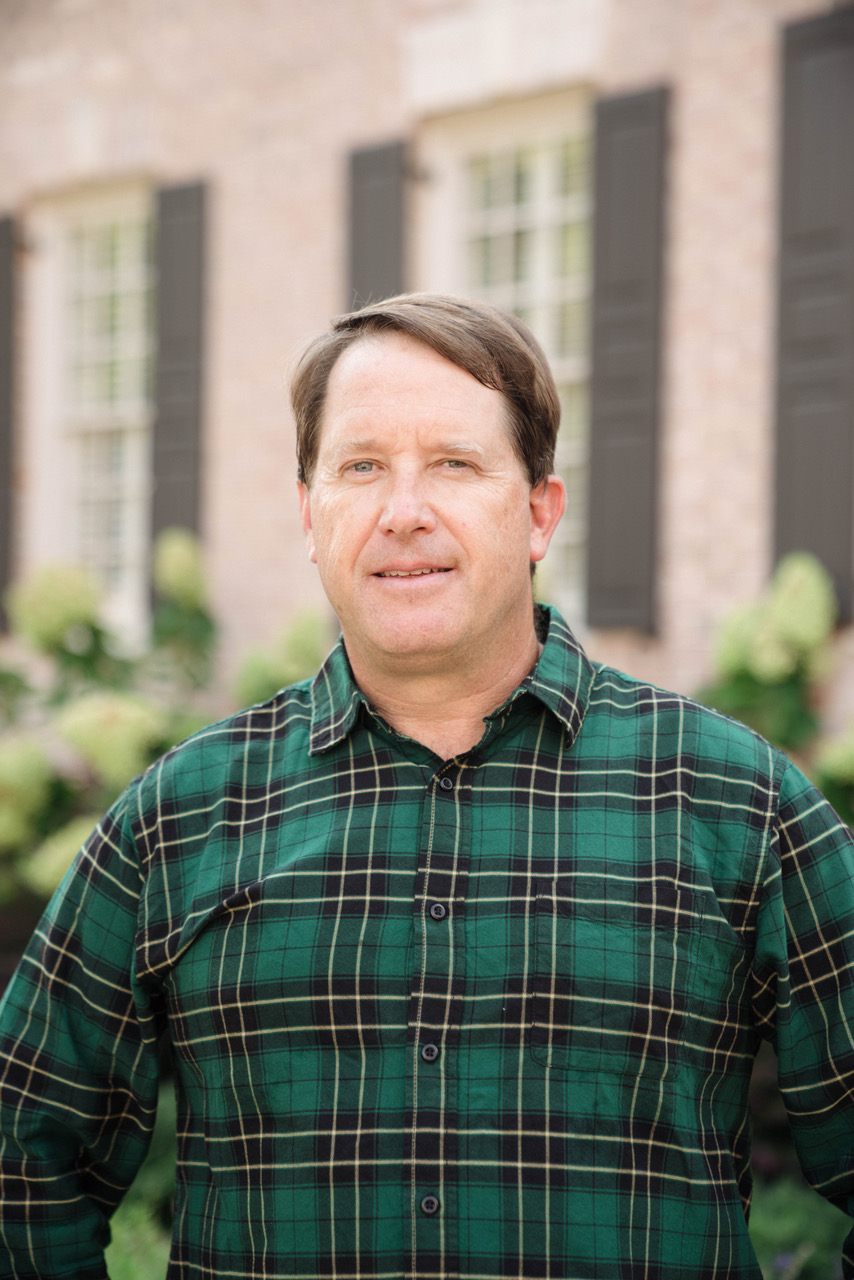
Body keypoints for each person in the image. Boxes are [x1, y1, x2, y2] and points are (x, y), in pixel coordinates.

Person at [1, 293, 853, 1279]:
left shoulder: (734, 801)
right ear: (309, 512)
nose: (402, 511)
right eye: (360, 467)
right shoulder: (177, 817)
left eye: (453, 463)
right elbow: (24, 1157)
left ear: (537, 510)